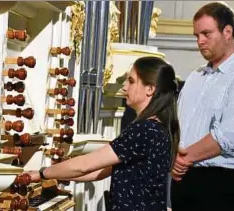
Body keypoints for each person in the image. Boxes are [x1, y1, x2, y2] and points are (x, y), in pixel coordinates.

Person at [25, 56, 180, 211]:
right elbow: (98, 171)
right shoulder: (157, 127)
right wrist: (55, 173)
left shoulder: (144, 130)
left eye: (131, 81)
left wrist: (42, 173)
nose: (124, 87)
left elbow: (84, 166)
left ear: (150, 89)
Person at [171, 2, 234, 211]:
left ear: (227, 32)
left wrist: (182, 159)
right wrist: (173, 157)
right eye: (196, 36)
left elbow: (231, 135)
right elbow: (177, 124)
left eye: (206, 34)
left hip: (222, 183)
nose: (200, 41)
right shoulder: (195, 76)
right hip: (184, 178)